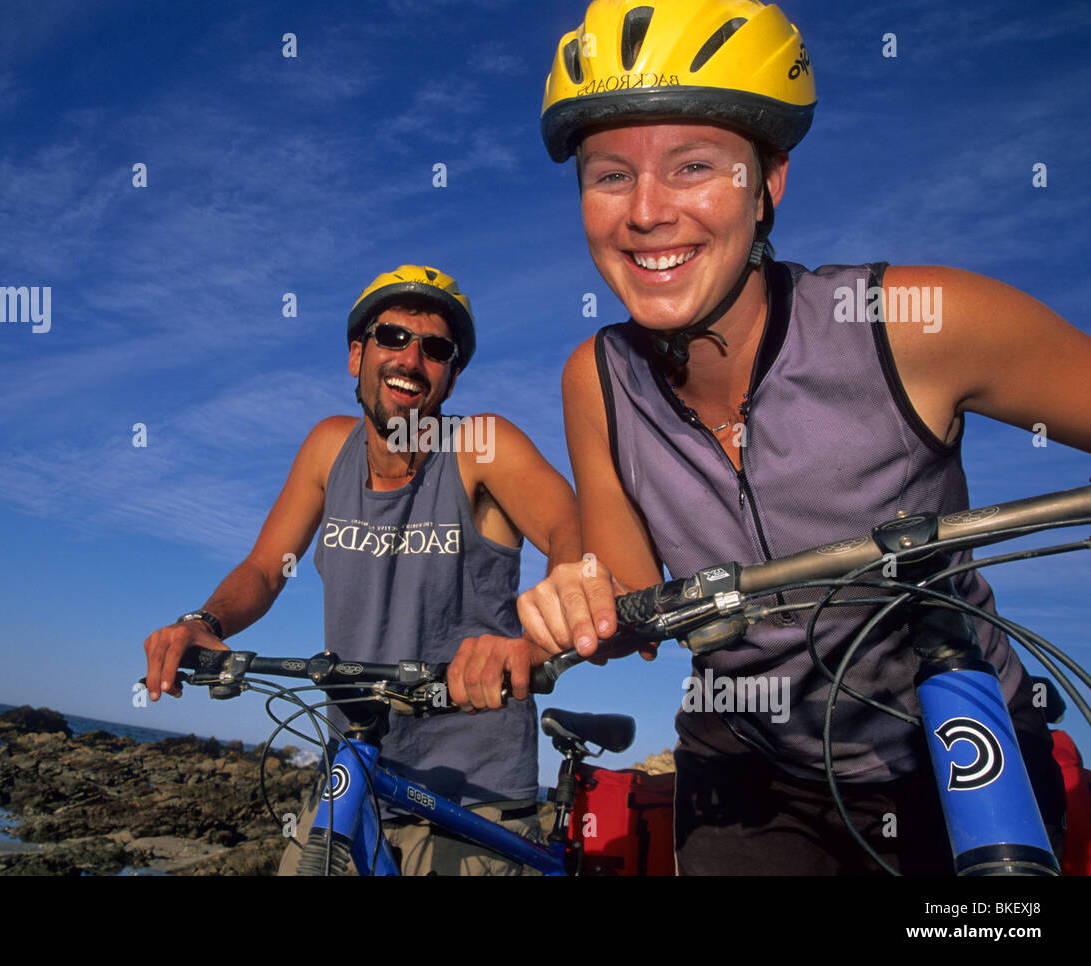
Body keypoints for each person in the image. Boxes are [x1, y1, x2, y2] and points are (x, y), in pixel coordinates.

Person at [450, 0, 1090, 873]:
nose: (646, 212)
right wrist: (567, 608)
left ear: (769, 183)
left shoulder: (908, 326)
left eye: (694, 166)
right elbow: (634, 597)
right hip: (749, 760)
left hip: (951, 740)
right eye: (609, 175)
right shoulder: (595, 379)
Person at [142, 264, 582, 874]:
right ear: (358, 354)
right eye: (393, 337)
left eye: (436, 349)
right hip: (354, 772)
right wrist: (202, 621)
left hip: (474, 793)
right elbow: (268, 568)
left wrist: (540, 627)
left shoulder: (483, 445)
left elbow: (571, 529)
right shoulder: (328, 448)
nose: (411, 359)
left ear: (451, 379)